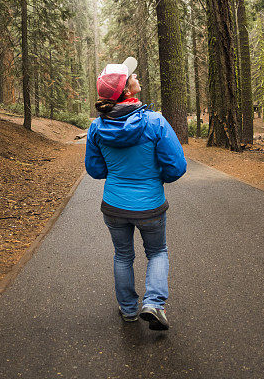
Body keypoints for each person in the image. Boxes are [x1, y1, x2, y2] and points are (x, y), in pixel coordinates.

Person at [85, 57, 186, 331]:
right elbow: (177, 167)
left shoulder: (96, 127)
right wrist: (154, 178)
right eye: (132, 76)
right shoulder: (155, 122)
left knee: (122, 256)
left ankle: (129, 311)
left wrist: (119, 171)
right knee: (157, 252)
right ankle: (153, 303)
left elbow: (95, 170)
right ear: (128, 91)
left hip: (114, 206)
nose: (136, 76)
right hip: (150, 206)